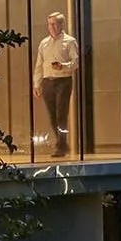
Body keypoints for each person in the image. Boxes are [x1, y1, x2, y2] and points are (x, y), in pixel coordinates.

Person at [35, 9, 80, 159]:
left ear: (62, 25)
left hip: (63, 80)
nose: (52, 27)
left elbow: (76, 62)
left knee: (61, 113)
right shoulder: (44, 43)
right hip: (48, 81)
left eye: (54, 24)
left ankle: (61, 144)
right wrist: (37, 84)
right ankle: (62, 143)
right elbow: (39, 65)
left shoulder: (70, 41)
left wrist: (63, 66)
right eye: (49, 24)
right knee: (52, 115)